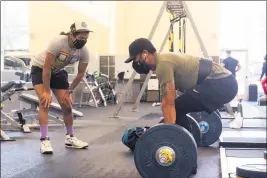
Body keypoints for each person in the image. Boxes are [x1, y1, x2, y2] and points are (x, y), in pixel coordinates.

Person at [124, 38, 238, 130]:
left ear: (145, 53)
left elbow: (168, 103)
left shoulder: (163, 64)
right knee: (180, 104)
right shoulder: (163, 60)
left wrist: (167, 131)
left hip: (222, 83)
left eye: (136, 59)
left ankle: (181, 140)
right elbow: (170, 98)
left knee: (177, 107)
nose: (136, 63)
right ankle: (185, 136)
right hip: (225, 83)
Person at [30, 21, 92, 154]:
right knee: (44, 102)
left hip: (58, 72)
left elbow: (81, 73)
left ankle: (70, 137)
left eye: (86, 39)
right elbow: (46, 68)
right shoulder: (58, 42)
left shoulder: (84, 51)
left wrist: (69, 91)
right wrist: (46, 91)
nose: (83, 41)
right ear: (72, 34)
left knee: (67, 105)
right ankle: (44, 140)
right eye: (81, 38)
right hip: (40, 69)